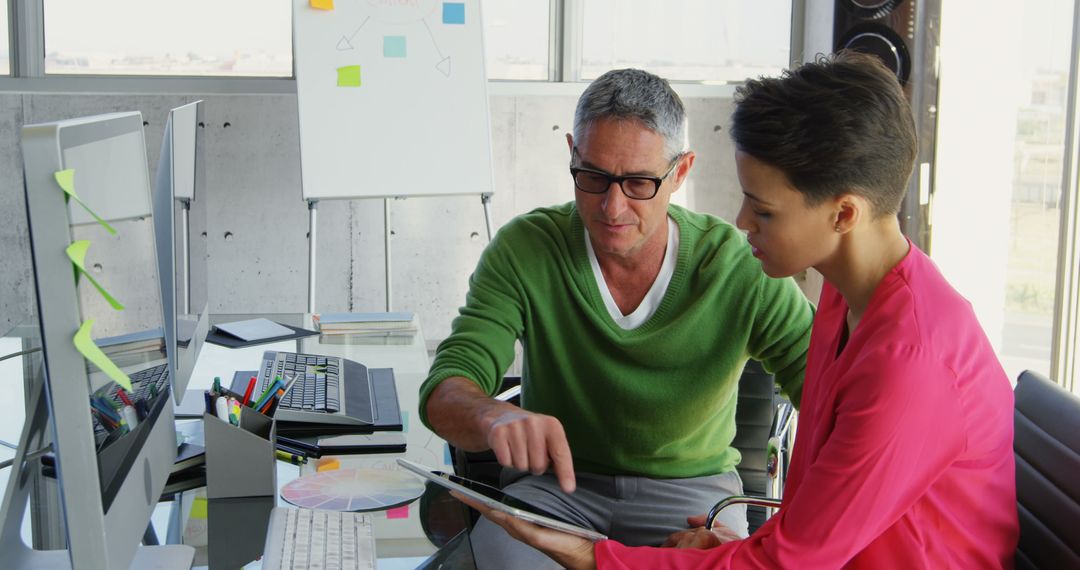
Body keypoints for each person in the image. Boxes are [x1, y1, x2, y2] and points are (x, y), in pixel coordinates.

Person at [461, 52, 1020, 569]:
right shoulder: (851, 300)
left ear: (844, 214)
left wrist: (595, 558)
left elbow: (789, 562)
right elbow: (806, 536)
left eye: (764, 210)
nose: (742, 222)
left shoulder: (911, 361)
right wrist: (746, 547)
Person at [419, 68, 816, 567]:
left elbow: (831, 398)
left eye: (638, 183)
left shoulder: (739, 267)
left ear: (681, 172)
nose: (612, 206)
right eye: (593, 177)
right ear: (571, 154)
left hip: (692, 499)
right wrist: (489, 413)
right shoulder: (527, 249)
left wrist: (779, 535)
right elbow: (446, 387)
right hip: (554, 492)